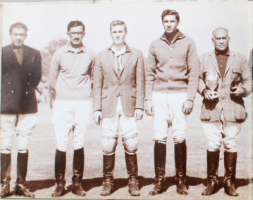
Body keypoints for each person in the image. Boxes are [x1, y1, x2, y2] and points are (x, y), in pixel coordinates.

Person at [145, 10, 199, 195]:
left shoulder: (189, 42)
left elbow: (194, 72)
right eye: (165, 21)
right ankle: (159, 180)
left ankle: (181, 180)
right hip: (159, 95)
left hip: (180, 95)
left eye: (172, 21)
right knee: (159, 135)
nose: (168, 24)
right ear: (162, 23)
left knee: (179, 135)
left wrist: (190, 98)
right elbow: (149, 74)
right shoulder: (154, 44)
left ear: (178, 22)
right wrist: (148, 98)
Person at [93, 20, 145, 196]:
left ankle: (133, 180)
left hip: (129, 104)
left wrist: (139, 105)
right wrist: (96, 109)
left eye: (120, 31)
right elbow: (97, 85)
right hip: (108, 105)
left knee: (131, 142)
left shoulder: (136, 54)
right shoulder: (101, 56)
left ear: (125, 32)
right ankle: (107, 180)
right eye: (114, 31)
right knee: (108, 143)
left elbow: (140, 82)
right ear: (110, 33)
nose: (117, 34)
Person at [198, 27, 251, 196]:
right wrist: (205, 91)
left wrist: (242, 89)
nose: (221, 40)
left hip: (233, 106)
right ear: (212, 40)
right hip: (211, 107)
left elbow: (249, 80)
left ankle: (230, 182)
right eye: (217, 38)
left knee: (231, 143)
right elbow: (197, 79)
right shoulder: (203, 58)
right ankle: (211, 181)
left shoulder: (240, 58)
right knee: (212, 143)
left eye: (224, 38)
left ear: (229, 39)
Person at [49, 20, 95, 197]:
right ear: (68, 33)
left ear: (84, 33)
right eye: (73, 32)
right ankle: (60, 184)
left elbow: (93, 78)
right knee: (61, 142)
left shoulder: (90, 54)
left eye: (79, 32)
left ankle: (77, 183)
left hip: (82, 103)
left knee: (79, 142)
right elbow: (52, 82)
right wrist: (53, 103)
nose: (76, 36)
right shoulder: (59, 54)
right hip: (63, 103)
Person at [1, 22, 41, 198]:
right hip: (6, 104)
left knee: (24, 143)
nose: (18, 37)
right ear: (10, 34)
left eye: (22, 34)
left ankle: (21, 184)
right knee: (5, 143)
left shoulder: (34, 54)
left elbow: (37, 77)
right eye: (15, 34)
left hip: (26, 103)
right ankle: (4, 184)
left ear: (26, 35)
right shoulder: (2, 52)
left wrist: (26, 92)